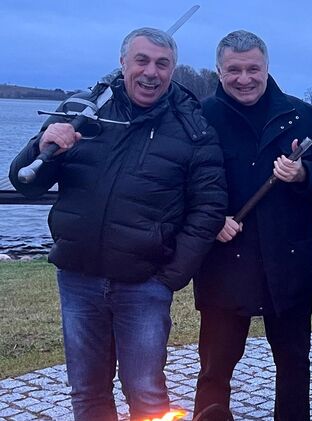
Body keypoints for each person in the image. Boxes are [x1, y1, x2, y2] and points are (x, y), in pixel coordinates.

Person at [8, 28, 227, 420]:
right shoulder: (82, 112)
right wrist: (41, 146)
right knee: (87, 391)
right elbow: (26, 182)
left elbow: (208, 208)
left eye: (162, 64)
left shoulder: (193, 128)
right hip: (78, 279)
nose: (151, 72)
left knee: (146, 392)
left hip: (145, 285)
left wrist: (170, 276)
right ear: (123, 63)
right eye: (141, 61)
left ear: (173, 70)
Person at [191, 30, 312, 420]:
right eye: (234, 70)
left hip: (288, 265)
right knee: (214, 371)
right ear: (218, 71)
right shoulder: (201, 117)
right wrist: (210, 220)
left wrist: (303, 173)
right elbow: (179, 182)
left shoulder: (298, 114)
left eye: (253, 69)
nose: (244, 78)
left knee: (294, 366)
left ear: (267, 67)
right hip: (224, 265)